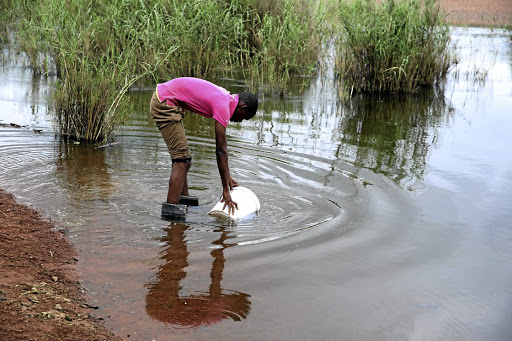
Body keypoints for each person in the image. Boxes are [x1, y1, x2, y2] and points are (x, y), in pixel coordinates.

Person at [149, 77, 258, 219]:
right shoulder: (223, 106)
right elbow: (221, 151)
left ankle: (183, 198)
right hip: (164, 102)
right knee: (182, 161)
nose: (240, 121)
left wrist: (227, 176)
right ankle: (171, 215)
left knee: (183, 159)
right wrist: (226, 191)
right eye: (244, 117)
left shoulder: (226, 97)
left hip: (167, 98)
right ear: (242, 107)